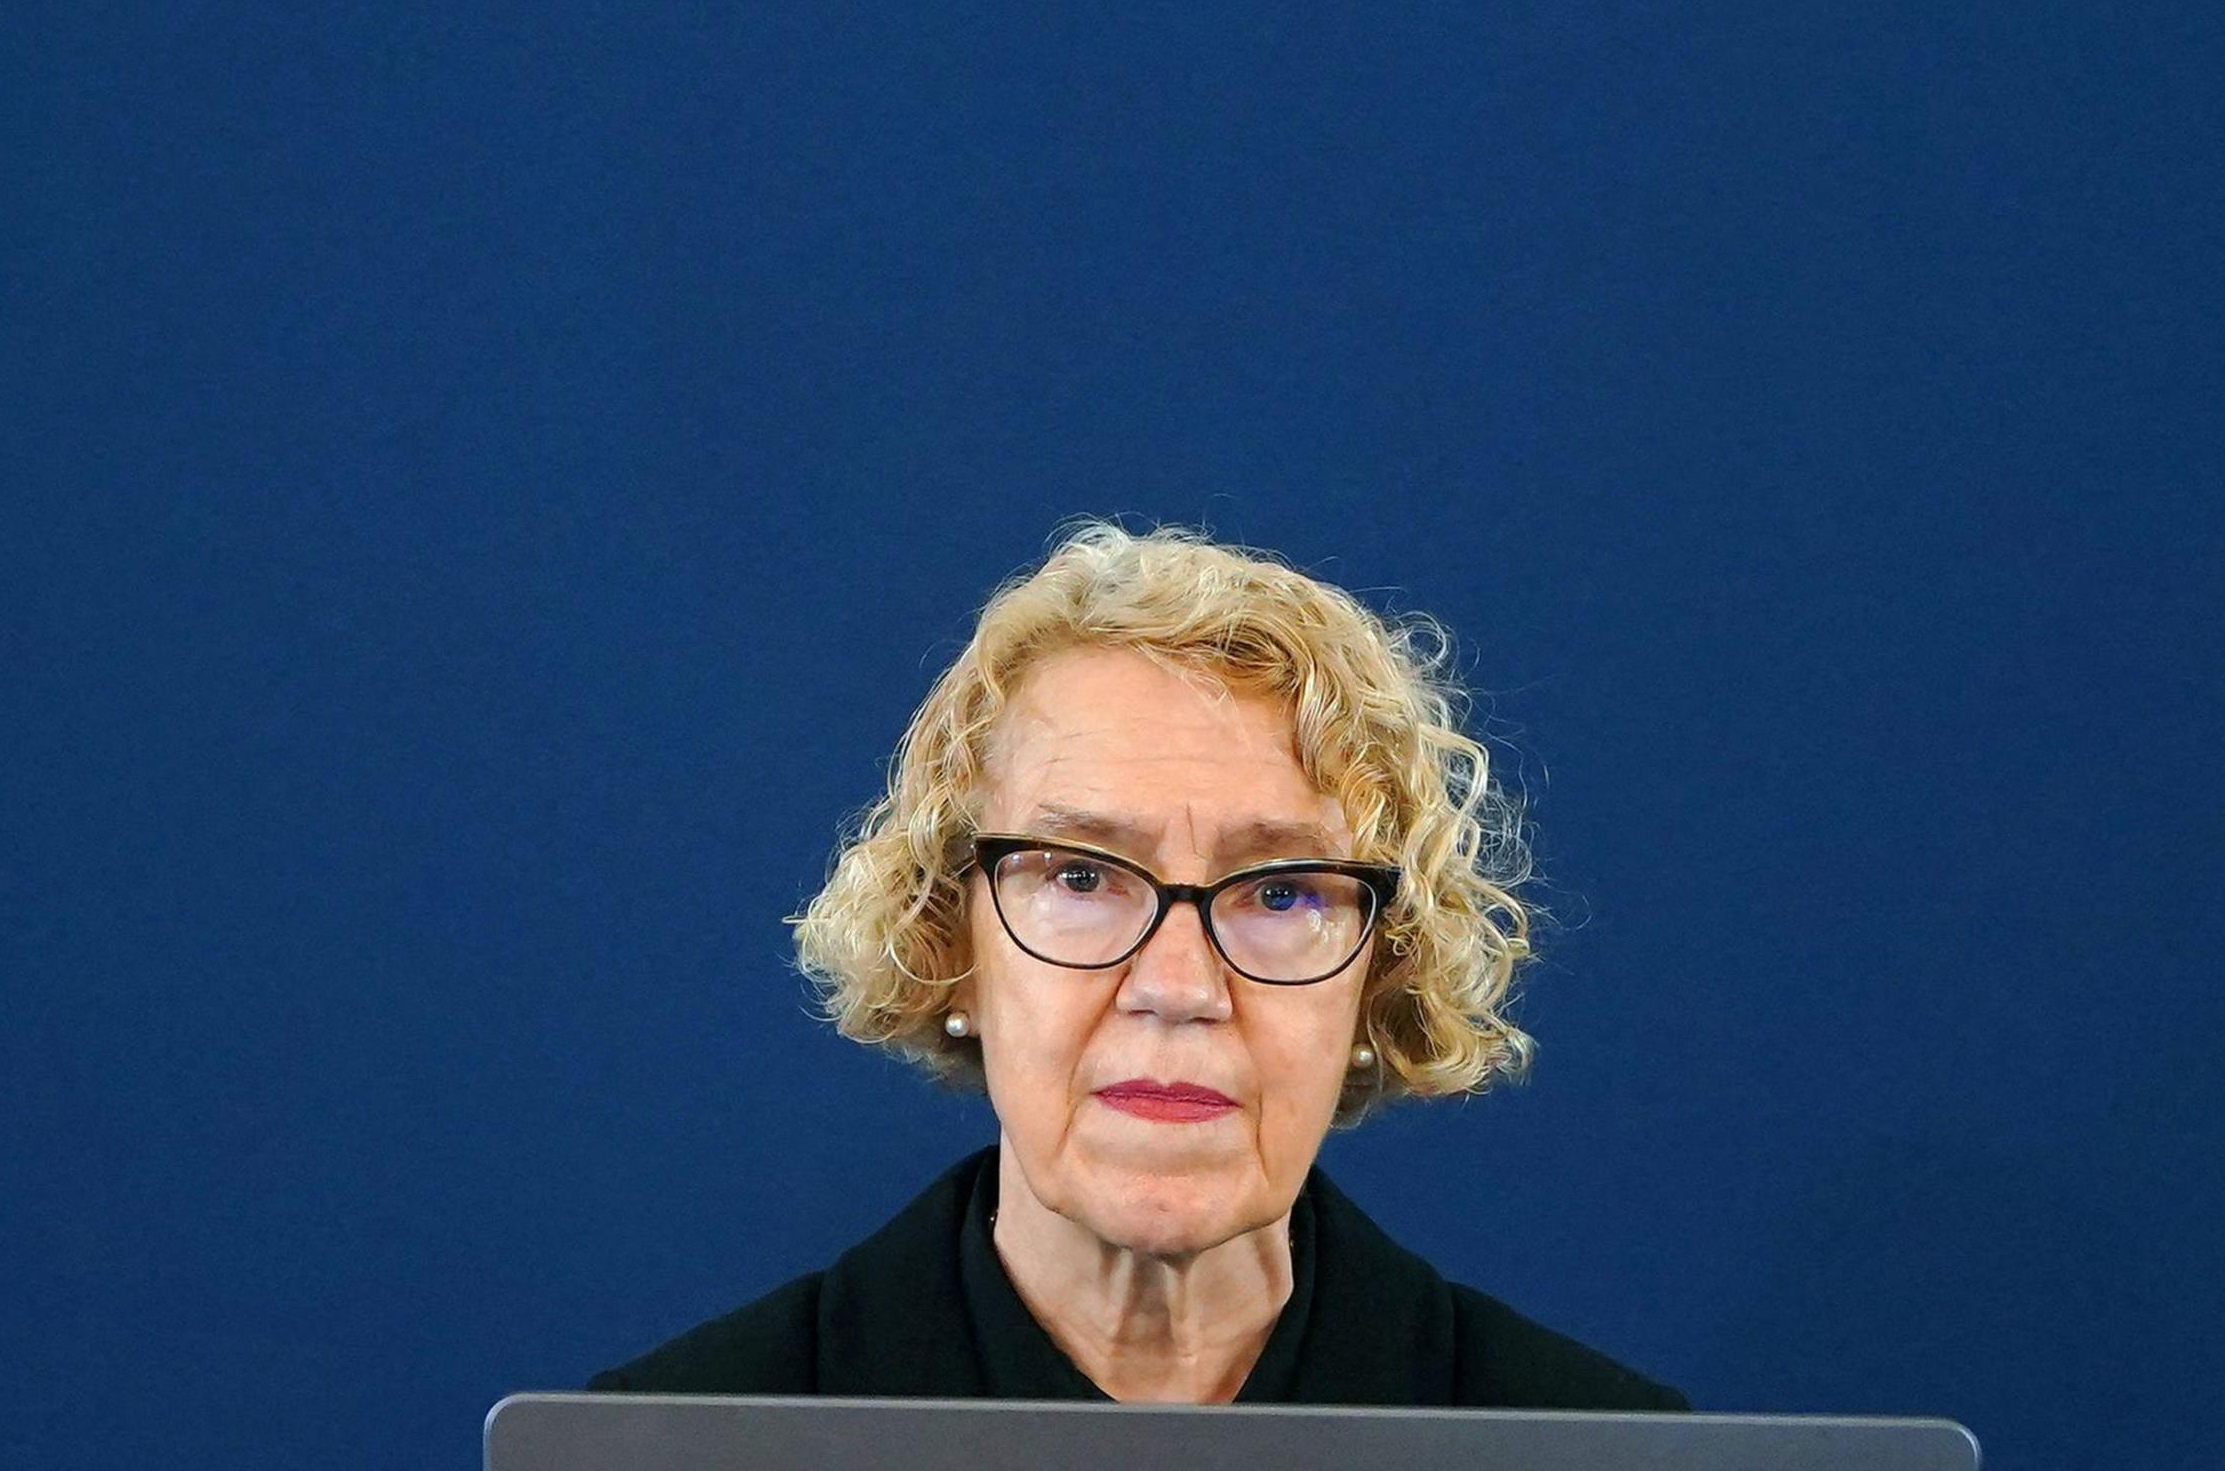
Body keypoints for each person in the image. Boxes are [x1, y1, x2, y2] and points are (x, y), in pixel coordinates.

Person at [593, 523, 1684, 1409]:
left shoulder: (1607, 1451)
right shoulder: (671, 1443)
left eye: (1280, 893)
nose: (1178, 988)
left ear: (1380, 979)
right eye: (1079, 878)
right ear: (947, 946)